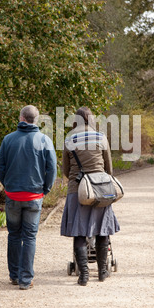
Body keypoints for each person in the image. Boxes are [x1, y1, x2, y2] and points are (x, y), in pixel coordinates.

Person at [0, 105, 57, 290]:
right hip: (34, 195)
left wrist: (7, 185)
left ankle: (14, 275)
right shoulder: (44, 140)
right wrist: (45, 189)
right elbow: (52, 168)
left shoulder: (8, 140)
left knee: (14, 235)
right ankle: (25, 279)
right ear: (36, 120)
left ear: (22, 118)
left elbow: (0, 166)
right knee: (30, 237)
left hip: (13, 194)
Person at [60, 106, 120, 286]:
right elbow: (109, 168)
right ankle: (102, 271)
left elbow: (65, 169)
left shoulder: (70, 138)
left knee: (79, 232)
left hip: (77, 189)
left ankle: (83, 275)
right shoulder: (101, 137)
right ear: (91, 120)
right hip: (100, 188)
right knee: (102, 230)